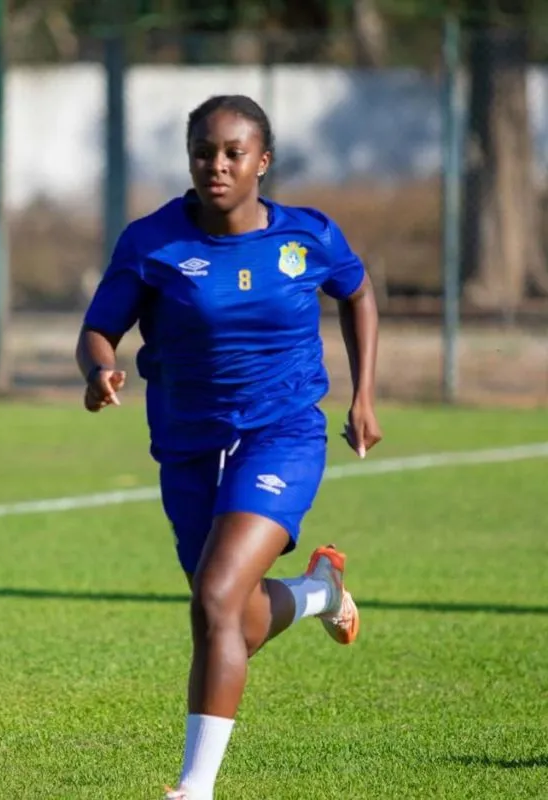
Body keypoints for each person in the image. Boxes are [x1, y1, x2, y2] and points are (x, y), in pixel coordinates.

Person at [76, 94, 382, 800]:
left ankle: (195, 788)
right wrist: (99, 372)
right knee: (232, 623)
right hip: (187, 445)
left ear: (261, 162)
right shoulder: (151, 242)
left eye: (232, 153)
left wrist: (364, 394)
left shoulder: (308, 236)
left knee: (214, 598)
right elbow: (99, 330)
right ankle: (318, 591)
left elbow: (358, 293)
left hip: (281, 434)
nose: (216, 165)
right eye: (203, 152)